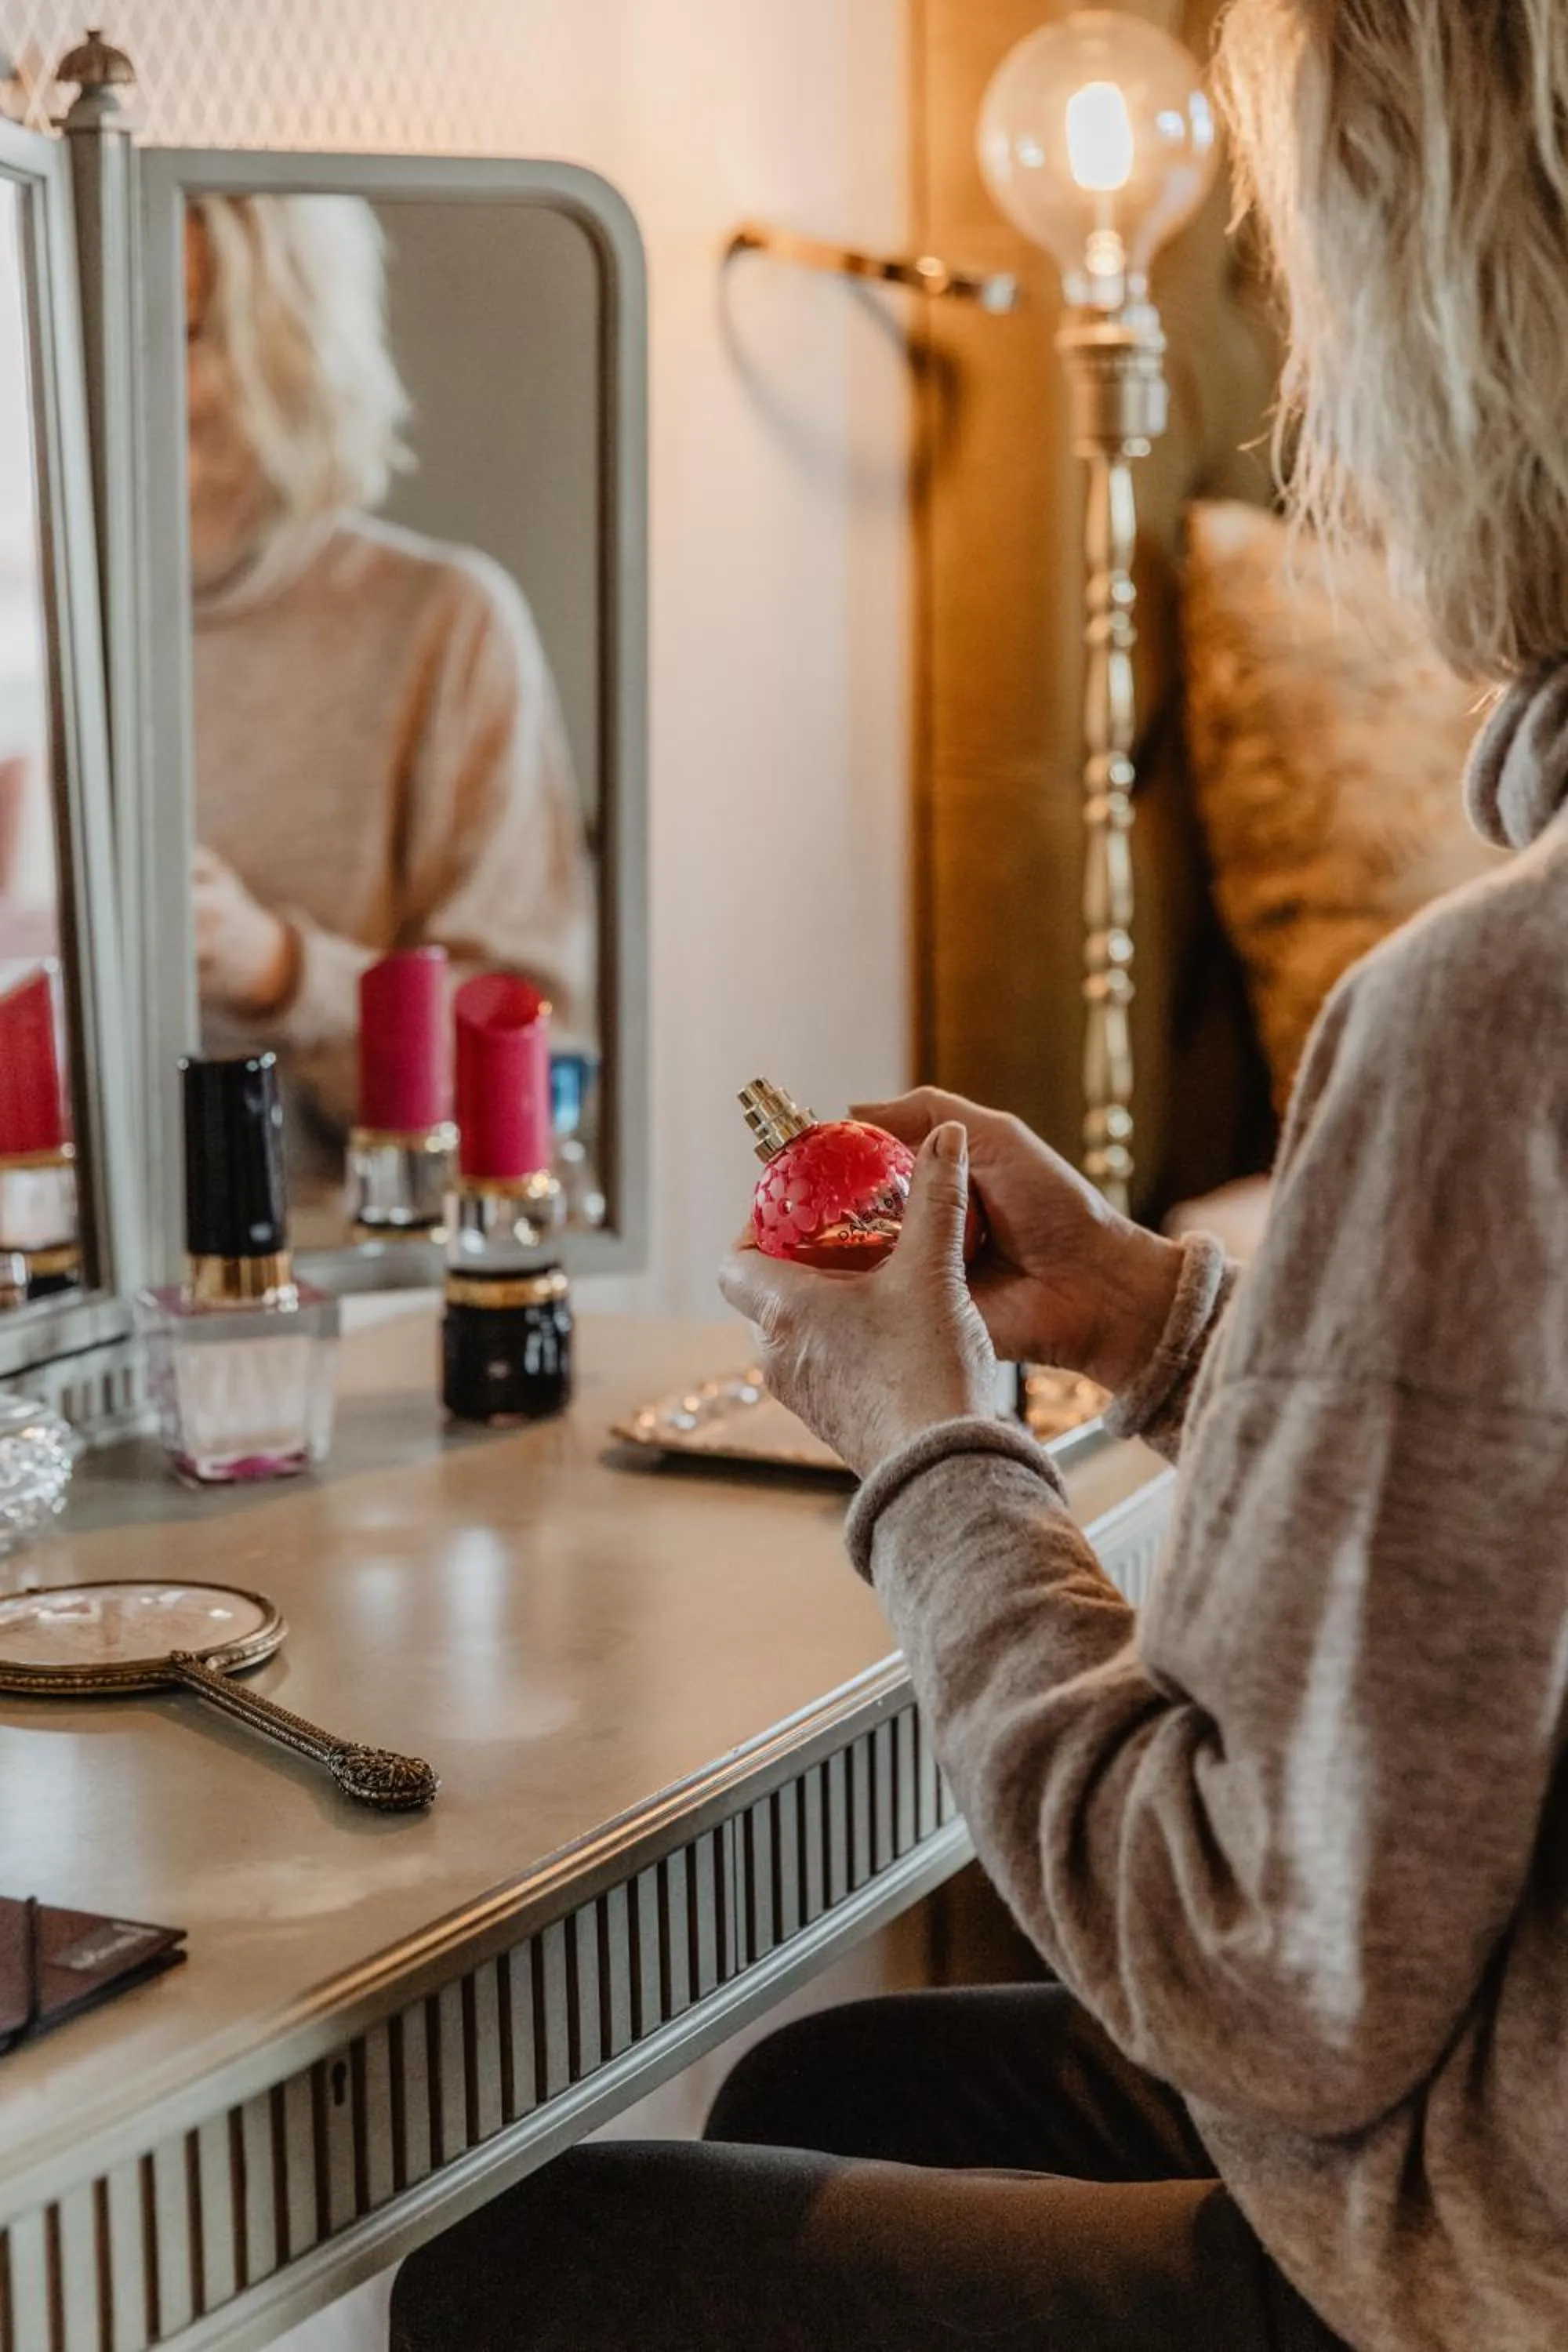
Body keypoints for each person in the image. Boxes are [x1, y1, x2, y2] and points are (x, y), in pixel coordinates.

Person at [392, 2, 1568, 2347]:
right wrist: (1154, 1317)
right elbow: (1490, 1525)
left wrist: (930, 1457)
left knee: (542, 2278)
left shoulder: (1487, 1025)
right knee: (831, 2071)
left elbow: (1258, 1964)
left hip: (1491, 2269)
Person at [185, 192, 593, 1153]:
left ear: (281, 347)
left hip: (351, 1272)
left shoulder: (442, 625)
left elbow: (536, 1067)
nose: (111, 372)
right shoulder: (30, 630)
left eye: (178, 332)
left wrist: (279, 974)